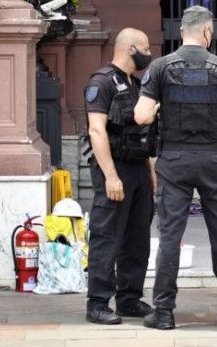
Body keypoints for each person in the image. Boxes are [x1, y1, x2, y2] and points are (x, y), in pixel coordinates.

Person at [133, 5, 217, 330]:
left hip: (174, 160)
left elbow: (141, 116)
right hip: (214, 161)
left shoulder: (160, 67)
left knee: (171, 235)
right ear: (207, 32)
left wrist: (161, 107)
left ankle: (164, 312)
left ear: (182, 31)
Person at [83, 27, 157, 325]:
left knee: (137, 238)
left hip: (138, 168)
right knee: (107, 236)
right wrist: (111, 177)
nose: (148, 54)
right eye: (145, 48)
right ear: (130, 49)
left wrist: (151, 172)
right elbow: (96, 130)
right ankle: (98, 302)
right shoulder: (101, 82)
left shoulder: (137, 84)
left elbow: (143, 131)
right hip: (113, 168)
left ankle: (129, 298)